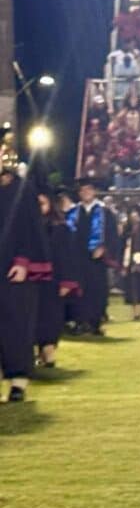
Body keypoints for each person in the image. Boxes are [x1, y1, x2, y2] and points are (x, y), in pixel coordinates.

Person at [0, 163, 49, 402]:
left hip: (14, 268)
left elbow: (30, 227)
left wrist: (23, 261)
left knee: (16, 324)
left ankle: (18, 381)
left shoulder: (20, 188)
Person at [35, 191, 79, 368]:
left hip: (54, 279)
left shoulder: (60, 228)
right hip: (32, 280)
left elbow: (67, 257)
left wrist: (67, 281)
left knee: (51, 316)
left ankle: (49, 351)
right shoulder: (27, 227)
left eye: (42, 204)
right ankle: (39, 352)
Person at [66, 177, 110, 335]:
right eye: (82, 190)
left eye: (89, 189)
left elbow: (113, 235)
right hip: (77, 258)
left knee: (96, 290)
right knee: (78, 291)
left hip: (96, 260)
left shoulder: (105, 212)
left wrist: (103, 248)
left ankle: (95, 323)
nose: (86, 192)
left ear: (95, 191)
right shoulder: (73, 213)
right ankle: (79, 322)